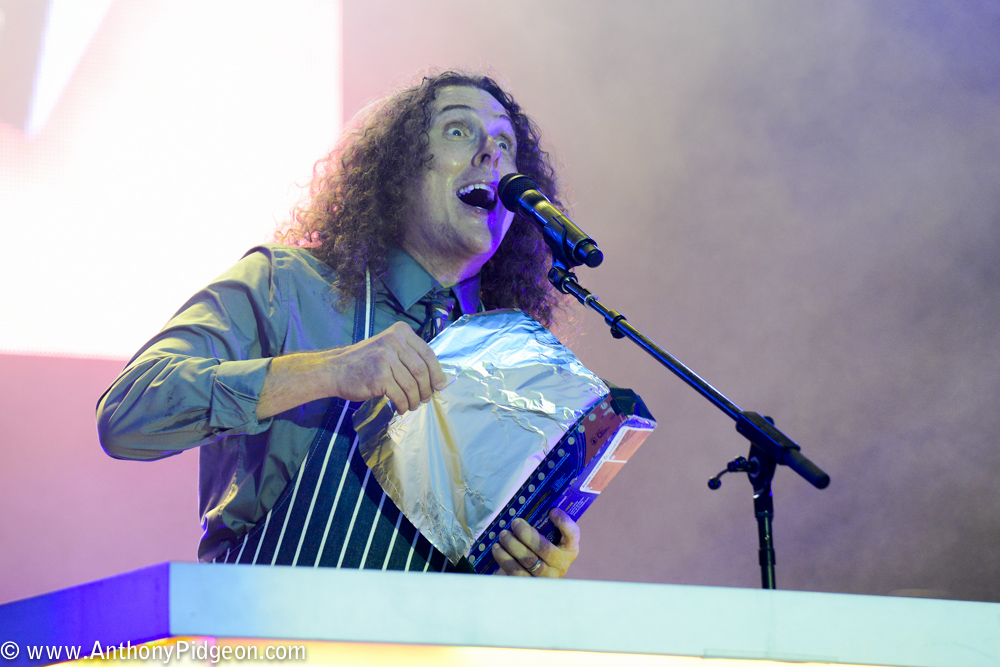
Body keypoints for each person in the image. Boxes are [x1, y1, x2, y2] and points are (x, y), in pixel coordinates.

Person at [97, 71, 581, 577]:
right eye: (458, 131)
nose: (491, 154)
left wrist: (525, 565)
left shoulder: (513, 365)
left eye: (505, 142)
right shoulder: (285, 284)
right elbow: (127, 416)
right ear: (398, 167)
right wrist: (330, 371)